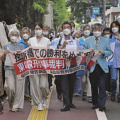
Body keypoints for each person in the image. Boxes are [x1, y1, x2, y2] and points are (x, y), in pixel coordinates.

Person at [84, 23, 111, 111]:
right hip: (92, 66)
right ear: (93, 31)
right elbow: (83, 51)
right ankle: (95, 103)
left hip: (102, 66)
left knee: (102, 85)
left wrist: (104, 52)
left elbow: (109, 52)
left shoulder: (105, 40)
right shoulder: (88, 40)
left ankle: (102, 104)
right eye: (95, 30)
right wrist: (88, 51)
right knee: (94, 85)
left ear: (101, 31)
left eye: (99, 30)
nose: (97, 32)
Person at [29, 23, 51, 111]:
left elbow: (49, 52)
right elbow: (28, 51)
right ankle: (39, 103)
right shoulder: (31, 40)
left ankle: (45, 97)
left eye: (39, 28)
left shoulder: (47, 40)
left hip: (43, 66)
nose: (37, 30)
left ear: (42, 29)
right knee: (35, 85)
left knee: (43, 85)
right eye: (36, 28)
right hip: (33, 66)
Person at [2, 29, 25, 112]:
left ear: (18, 36)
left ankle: (16, 105)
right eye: (12, 35)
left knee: (19, 88)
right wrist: (4, 53)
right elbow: (1, 58)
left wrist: (20, 54)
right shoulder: (5, 46)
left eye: (16, 35)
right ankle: (11, 103)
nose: (14, 36)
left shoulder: (21, 46)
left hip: (19, 69)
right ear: (9, 36)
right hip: (8, 68)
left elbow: (25, 58)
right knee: (10, 88)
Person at [59, 21, 78, 112]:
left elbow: (80, 51)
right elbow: (53, 52)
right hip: (62, 66)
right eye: (64, 27)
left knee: (71, 85)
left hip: (73, 65)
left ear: (71, 29)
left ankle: (70, 102)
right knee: (64, 85)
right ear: (62, 30)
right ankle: (66, 104)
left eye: (68, 27)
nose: (66, 29)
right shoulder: (58, 40)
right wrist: (63, 46)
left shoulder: (76, 40)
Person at [75, 25, 92, 103]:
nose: (87, 31)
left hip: (90, 61)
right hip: (81, 61)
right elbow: (77, 50)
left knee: (89, 78)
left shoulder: (92, 39)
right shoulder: (79, 40)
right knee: (83, 79)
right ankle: (84, 90)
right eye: (85, 29)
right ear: (82, 30)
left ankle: (89, 95)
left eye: (88, 29)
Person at [18, 27, 31, 100]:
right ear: (21, 34)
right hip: (23, 65)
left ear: (29, 33)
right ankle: (25, 94)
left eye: (27, 33)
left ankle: (30, 94)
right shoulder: (19, 43)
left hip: (32, 64)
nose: (25, 34)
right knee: (25, 80)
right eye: (23, 33)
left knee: (31, 80)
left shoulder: (32, 41)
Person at [109, 21, 120, 103]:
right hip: (112, 61)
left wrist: (118, 38)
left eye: (115, 26)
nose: (114, 28)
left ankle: (119, 96)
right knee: (113, 78)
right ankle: (113, 92)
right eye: (112, 26)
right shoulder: (109, 37)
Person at [42, 25, 53, 90]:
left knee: (49, 72)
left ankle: (49, 84)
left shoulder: (52, 38)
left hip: (49, 58)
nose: (45, 31)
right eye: (44, 29)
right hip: (42, 59)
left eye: (46, 29)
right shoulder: (39, 38)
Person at [103, 28, 111, 94]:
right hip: (104, 61)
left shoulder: (114, 40)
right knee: (106, 76)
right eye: (105, 34)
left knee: (112, 77)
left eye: (108, 33)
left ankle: (110, 90)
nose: (107, 35)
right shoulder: (102, 41)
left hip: (112, 61)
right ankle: (106, 90)